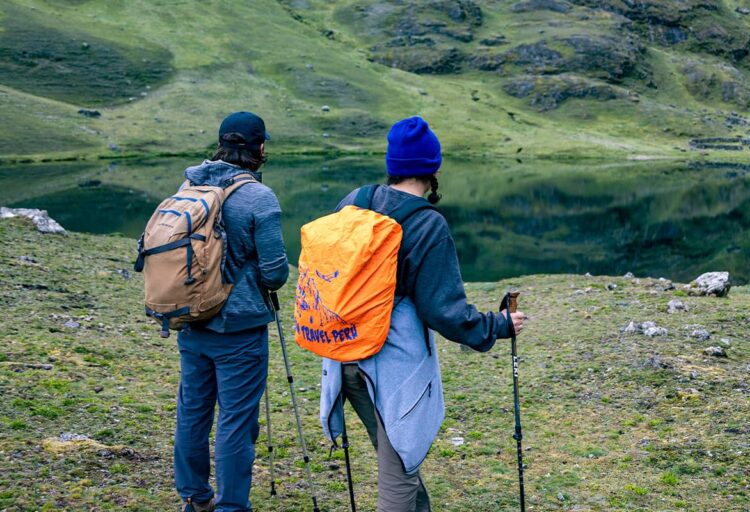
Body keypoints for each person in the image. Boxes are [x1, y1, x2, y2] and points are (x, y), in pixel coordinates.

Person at [320, 116, 526, 512]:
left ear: (393, 164)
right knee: (399, 468)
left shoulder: (353, 201)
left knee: (396, 454)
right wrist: (498, 326)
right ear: (433, 169)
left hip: (342, 354)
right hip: (391, 366)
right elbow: (444, 312)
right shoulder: (427, 223)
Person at [174, 112, 289, 512]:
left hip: (190, 319)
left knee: (193, 411)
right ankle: (231, 507)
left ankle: (195, 498)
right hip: (239, 328)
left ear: (221, 143)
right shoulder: (260, 197)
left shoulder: (189, 185)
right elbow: (275, 274)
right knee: (236, 421)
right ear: (259, 148)